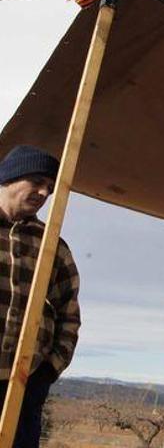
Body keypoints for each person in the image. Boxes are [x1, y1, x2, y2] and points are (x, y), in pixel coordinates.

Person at [0, 145, 81, 448]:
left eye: (49, 187)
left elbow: (69, 315)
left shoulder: (52, 245)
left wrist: (46, 373)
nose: (44, 192)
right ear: (9, 177)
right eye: (36, 181)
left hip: (24, 386)